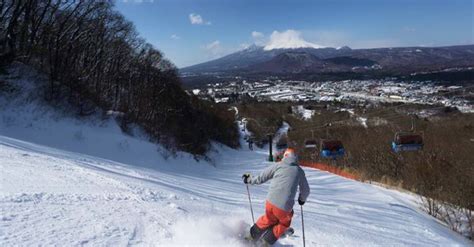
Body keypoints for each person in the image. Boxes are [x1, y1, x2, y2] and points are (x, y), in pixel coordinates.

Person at [242, 148, 310, 246]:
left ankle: (250, 236)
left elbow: (261, 177)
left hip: (270, 202)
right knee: (284, 223)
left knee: (268, 218)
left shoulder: (278, 166)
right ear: (296, 158)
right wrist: (302, 199)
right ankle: (265, 242)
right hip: (284, 208)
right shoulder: (299, 171)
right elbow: (306, 190)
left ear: (284, 156)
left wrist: (249, 180)